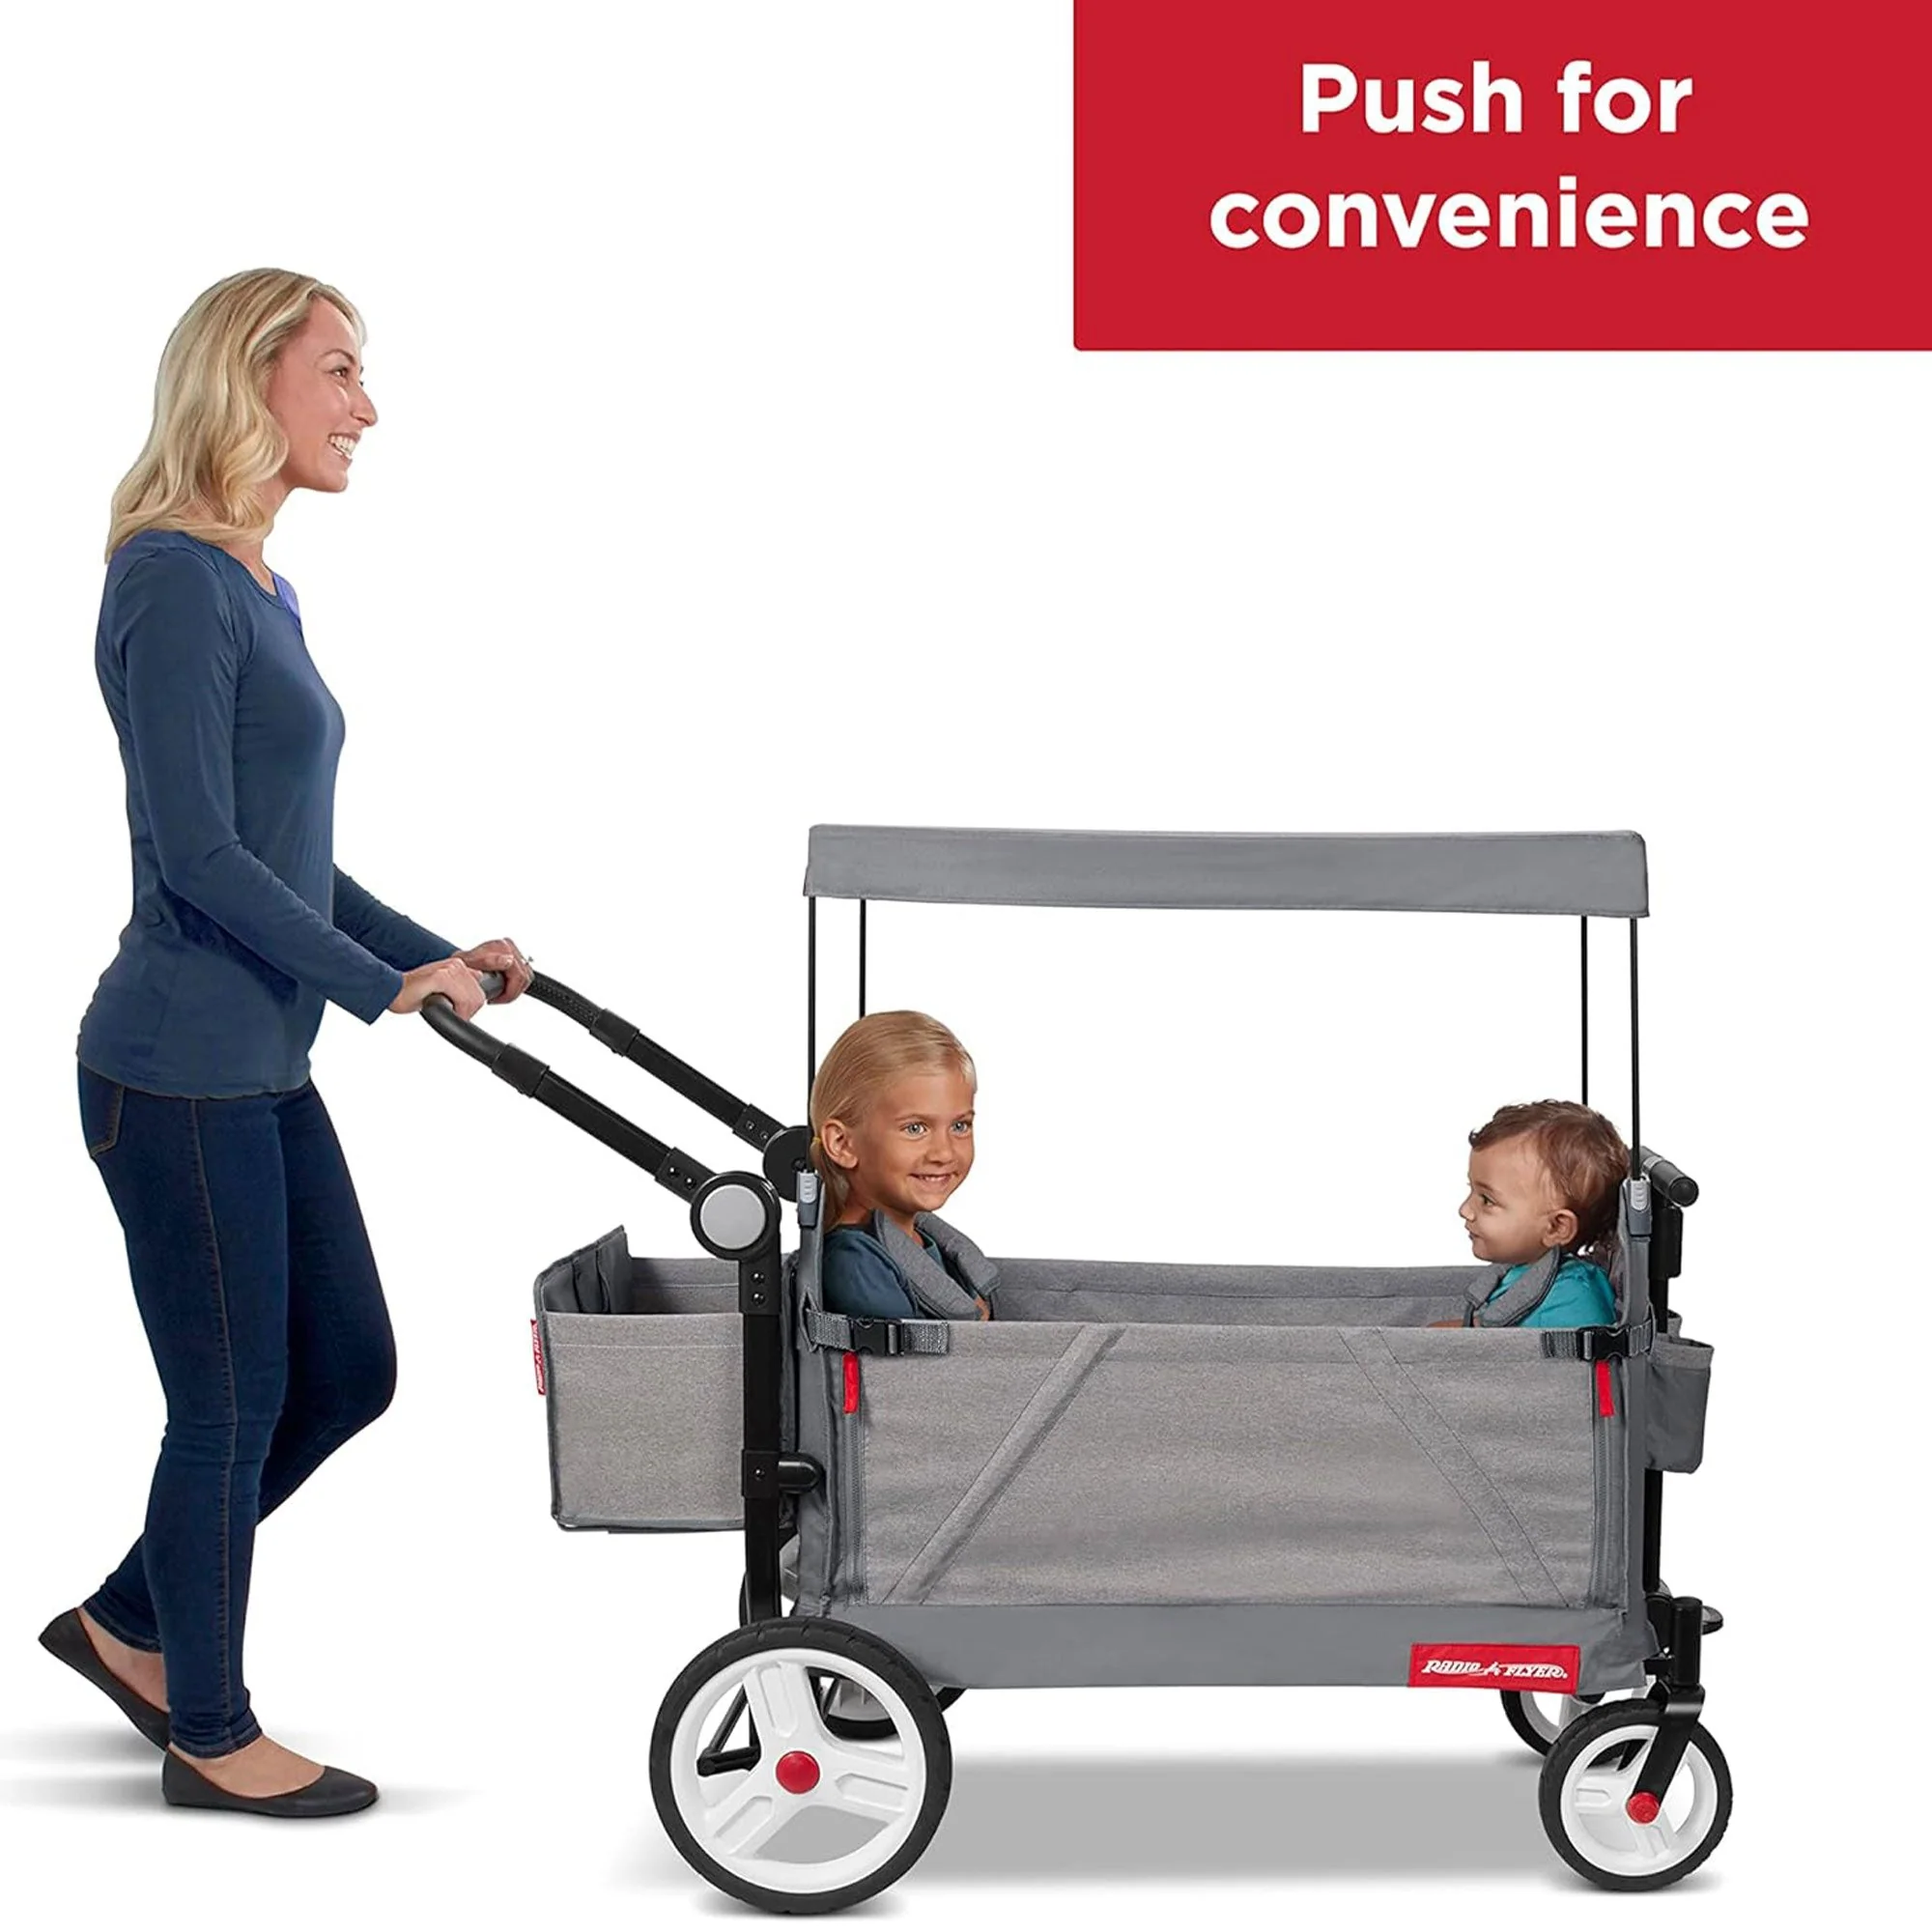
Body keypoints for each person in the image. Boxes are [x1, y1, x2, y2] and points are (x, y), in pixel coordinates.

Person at [41, 270, 532, 1819]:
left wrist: (431, 955)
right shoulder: (174, 579)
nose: (367, 406)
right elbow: (200, 857)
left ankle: (131, 1621)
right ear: (247, 377)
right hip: (175, 1071)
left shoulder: (258, 581)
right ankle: (209, 1729)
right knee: (230, 1403)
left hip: (259, 1068)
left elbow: (287, 856)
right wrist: (380, 989)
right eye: (340, 370)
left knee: (349, 1369)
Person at [809, 1011, 996, 1322]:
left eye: (960, 1126)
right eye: (915, 1128)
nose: (944, 1152)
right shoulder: (855, 1263)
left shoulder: (917, 1241)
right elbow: (916, 1356)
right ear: (842, 1144)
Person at [1455, 1099, 1624, 1327]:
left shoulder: (1570, 1303)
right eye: (1471, 1189)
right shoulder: (1526, 1272)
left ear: (1556, 1227)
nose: (1464, 1210)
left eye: (1487, 1200)